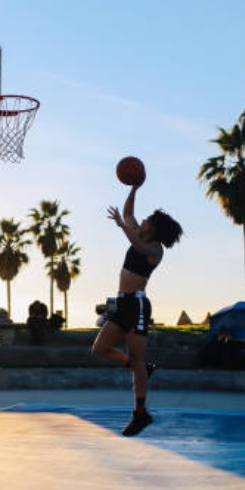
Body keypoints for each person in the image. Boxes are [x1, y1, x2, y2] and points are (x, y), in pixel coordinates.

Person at [92, 183, 183, 436]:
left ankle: (140, 413)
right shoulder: (140, 234)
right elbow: (129, 213)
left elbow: (139, 246)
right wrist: (134, 187)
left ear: (153, 228)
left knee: (138, 360)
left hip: (138, 305)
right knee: (99, 349)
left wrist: (122, 226)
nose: (140, 221)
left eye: (146, 220)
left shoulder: (155, 249)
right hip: (121, 303)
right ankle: (140, 367)